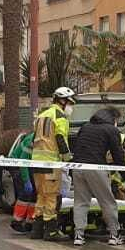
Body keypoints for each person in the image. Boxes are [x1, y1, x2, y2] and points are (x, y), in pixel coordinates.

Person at [67, 105, 125, 246]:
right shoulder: (111, 130)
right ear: (113, 118)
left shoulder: (85, 127)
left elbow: (77, 147)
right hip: (96, 167)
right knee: (107, 201)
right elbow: (117, 153)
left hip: (78, 167)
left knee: (80, 202)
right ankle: (114, 234)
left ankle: (79, 235)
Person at [29, 86, 75, 240]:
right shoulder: (60, 116)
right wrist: (69, 160)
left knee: (41, 195)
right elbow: (60, 138)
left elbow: (33, 137)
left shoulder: (42, 115)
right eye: (70, 102)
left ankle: (36, 230)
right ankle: (51, 231)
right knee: (52, 196)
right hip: (51, 163)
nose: (71, 106)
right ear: (62, 101)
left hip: (36, 162)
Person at [7, 130, 37, 234]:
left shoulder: (41, 139)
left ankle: (30, 222)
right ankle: (17, 222)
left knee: (34, 195)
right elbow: (23, 163)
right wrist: (26, 180)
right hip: (17, 165)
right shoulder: (31, 141)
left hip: (29, 166)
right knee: (25, 193)